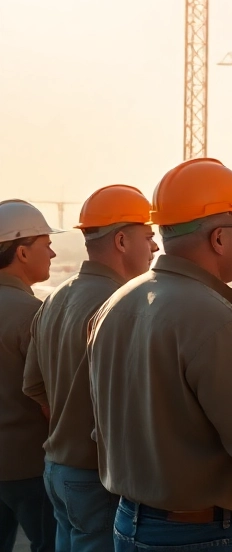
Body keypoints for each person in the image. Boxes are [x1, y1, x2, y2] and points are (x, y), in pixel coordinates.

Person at [87, 158, 232, 552]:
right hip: (206, 533)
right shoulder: (216, 323)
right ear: (219, 238)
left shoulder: (116, 305)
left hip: (130, 522)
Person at [23, 186, 157, 552]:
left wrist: (70, 428)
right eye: (148, 236)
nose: (156, 247)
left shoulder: (55, 297)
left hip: (58, 468)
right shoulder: (123, 306)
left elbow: (35, 387)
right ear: (121, 241)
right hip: (97, 478)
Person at [0, 200, 61, 552]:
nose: (52, 252)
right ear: (22, 253)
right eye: (45, 243)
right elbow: (51, 403)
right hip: (29, 469)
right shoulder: (33, 314)